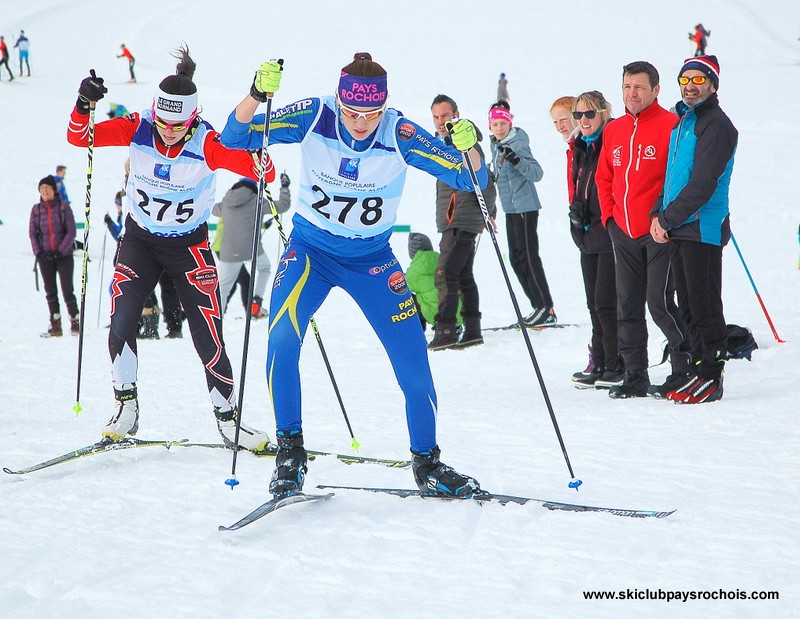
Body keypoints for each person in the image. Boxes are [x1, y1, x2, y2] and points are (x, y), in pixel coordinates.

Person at [221, 52, 486, 499]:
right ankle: (291, 453)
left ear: (384, 107)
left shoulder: (400, 132)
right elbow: (235, 138)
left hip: (372, 260)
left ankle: (428, 464)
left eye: (371, 114)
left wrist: (470, 143)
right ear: (339, 102)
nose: (361, 123)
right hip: (311, 252)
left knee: (414, 366)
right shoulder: (314, 114)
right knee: (282, 339)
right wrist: (256, 95)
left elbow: (468, 176)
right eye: (352, 113)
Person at [67, 44, 273, 450]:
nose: (167, 130)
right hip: (140, 242)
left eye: (177, 125)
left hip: (188, 247)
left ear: (193, 118)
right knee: (122, 320)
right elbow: (81, 138)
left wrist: (260, 159)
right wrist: (83, 103)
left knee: (207, 333)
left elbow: (257, 168)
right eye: (162, 121)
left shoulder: (208, 140)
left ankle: (228, 419)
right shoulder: (138, 125)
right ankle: (126, 408)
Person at [595, 61, 692, 399]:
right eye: (626, 86)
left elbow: (678, 180)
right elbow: (604, 177)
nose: (631, 93)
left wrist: (663, 219)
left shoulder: (672, 127)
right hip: (622, 231)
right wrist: (609, 220)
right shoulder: (614, 129)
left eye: (638, 87)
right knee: (628, 305)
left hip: (660, 232)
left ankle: (685, 367)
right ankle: (635, 374)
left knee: (660, 303)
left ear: (655, 90)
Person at [651, 55, 737, 404]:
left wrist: (667, 218)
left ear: (713, 85)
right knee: (685, 303)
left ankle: (712, 377)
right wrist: (659, 212)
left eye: (699, 80)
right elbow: (672, 177)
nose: (690, 85)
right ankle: (699, 370)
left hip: (700, 227)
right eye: (685, 79)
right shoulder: (683, 122)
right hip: (678, 227)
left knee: (703, 305)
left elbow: (703, 184)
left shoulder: (716, 125)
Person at [428, 94, 497, 350]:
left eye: (445, 115)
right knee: (464, 275)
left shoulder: (464, 142)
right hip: (455, 220)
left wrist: (489, 213)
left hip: (461, 220)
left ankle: (446, 329)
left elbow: (486, 183)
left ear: (456, 114)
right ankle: (472, 329)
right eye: (436, 117)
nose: (439, 121)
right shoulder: (444, 143)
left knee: (445, 275)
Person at [567, 92, 623, 389]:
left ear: (603, 113)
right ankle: (600, 361)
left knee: (606, 302)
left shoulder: (611, 140)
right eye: (578, 115)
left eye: (589, 114)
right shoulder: (581, 146)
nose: (584, 120)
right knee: (593, 303)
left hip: (609, 232)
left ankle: (617, 362)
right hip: (587, 233)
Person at [488, 100, 556, 326]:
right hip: (511, 209)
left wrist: (517, 160)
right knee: (516, 259)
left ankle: (545, 307)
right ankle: (537, 306)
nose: (499, 128)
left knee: (528, 256)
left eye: (503, 123)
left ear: (510, 123)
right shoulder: (495, 145)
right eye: (495, 124)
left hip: (526, 208)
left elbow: (537, 173)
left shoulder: (517, 144)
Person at [212, 171, 291, 319]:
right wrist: (284, 188)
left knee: (223, 287)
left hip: (229, 250)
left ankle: (216, 319)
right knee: (265, 268)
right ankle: (257, 300)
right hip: (252, 248)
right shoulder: (258, 201)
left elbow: (214, 210)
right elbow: (283, 206)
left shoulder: (226, 202)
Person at [29, 175, 79, 337]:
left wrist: (61, 250)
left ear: (53, 190)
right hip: (45, 257)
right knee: (50, 290)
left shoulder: (64, 208)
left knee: (67, 289)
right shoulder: (36, 210)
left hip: (63, 256)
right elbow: (33, 234)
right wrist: (39, 252)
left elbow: (71, 232)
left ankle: (75, 321)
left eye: (47, 188)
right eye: (42, 189)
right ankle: (55, 323)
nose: (45, 191)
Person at [405, 231, 463, 332]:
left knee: (408, 299)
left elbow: (406, 285)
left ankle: (418, 332)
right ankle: (457, 327)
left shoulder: (414, 271)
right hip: (458, 312)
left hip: (437, 316)